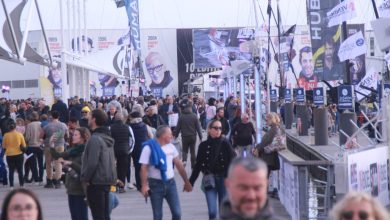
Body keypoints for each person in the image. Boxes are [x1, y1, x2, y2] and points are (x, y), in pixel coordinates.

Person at [140, 125, 192, 220]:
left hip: (170, 183)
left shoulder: (171, 147)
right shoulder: (149, 148)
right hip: (155, 184)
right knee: (158, 216)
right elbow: (144, 168)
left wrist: (186, 181)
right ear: (163, 136)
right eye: (170, 134)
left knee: (177, 213)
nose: (172, 136)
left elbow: (179, 165)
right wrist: (144, 185)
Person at [189, 119, 236, 220]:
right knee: (212, 212)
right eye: (215, 128)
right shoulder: (203, 146)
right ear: (209, 130)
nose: (218, 130)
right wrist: (191, 181)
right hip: (209, 179)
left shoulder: (225, 143)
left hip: (224, 179)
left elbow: (234, 160)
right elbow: (198, 165)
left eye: (220, 128)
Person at [81, 109, 117, 220]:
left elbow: (92, 163)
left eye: (90, 115)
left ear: (94, 119)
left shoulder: (95, 139)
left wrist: (85, 178)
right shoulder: (107, 137)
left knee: (98, 216)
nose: (87, 118)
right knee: (105, 216)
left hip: (96, 183)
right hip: (106, 181)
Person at [51, 127, 91, 220]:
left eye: (76, 135)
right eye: (73, 134)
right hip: (71, 188)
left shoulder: (86, 151)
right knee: (74, 217)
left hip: (80, 189)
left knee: (81, 216)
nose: (73, 136)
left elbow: (85, 171)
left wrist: (71, 164)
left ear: (83, 137)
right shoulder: (74, 150)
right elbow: (58, 156)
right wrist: (52, 144)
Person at [41, 110, 68, 189]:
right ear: (58, 116)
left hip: (49, 146)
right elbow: (67, 135)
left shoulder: (46, 126)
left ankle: (49, 181)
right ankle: (57, 181)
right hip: (60, 145)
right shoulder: (63, 125)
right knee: (58, 163)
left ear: (51, 117)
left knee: (48, 163)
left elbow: (41, 135)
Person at [174, 99, 203, 168]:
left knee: (185, 150)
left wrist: (176, 135)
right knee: (192, 151)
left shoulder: (181, 116)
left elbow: (178, 127)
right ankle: (193, 165)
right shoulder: (194, 116)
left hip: (184, 136)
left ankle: (184, 161)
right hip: (193, 136)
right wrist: (201, 137)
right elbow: (198, 128)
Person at [110, 113, 134, 193]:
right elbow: (132, 140)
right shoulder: (128, 127)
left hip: (113, 151)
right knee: (123, 169)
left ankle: (114, 186)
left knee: (114, 169)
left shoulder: (110, 128)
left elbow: (108, 140)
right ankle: (122, 187)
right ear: (123, 119)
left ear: (115, 119)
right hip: (124, 151)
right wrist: (129, 149)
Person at [254, 113, 283, 178]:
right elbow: (264, 142)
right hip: (266, 158)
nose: (266, 121)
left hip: (268, 159)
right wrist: (257, 148)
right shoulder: (272, 129)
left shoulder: (274, 130)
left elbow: (277, 144)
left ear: (272, 119)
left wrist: (259, 149)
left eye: (267, 119)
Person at [128, 111, 150, 190]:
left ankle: (139, 185)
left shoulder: (129, 126)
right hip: (144, 148)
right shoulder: (145, 125)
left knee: (137, 167)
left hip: (135, 148)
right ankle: (145, 183)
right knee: (144, 166)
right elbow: (150, 136)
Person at [2, 120, 26, 189]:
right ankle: (21, 185)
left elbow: (4, 146)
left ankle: (11, 186)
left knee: (11, 170)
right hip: (19, 154)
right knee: (20, 170)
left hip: (9, 155)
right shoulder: (20, 134)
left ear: (8, 127)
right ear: (15, 127)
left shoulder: (6, 135)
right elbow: (23, 145)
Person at [24, 112, 43, 185]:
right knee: (40, 163)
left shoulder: (29, 125)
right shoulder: (41, 124)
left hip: (31, 146)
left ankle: (36, 179)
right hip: (40, 146)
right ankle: (41, 179)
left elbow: (27, 137)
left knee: (33, 164)